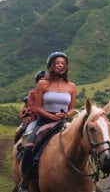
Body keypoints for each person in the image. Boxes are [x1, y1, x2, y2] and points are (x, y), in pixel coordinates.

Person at [20, 52, 77, 192]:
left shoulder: (71, 86)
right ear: (51, 65)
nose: (60, 65)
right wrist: (52, 117)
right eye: (57, 63)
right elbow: (38, 108)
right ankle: (25, 182)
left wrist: (65, 115)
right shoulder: (43, 84)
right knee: (28, 149)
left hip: (63, 122)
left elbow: (72, 109)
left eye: (63, 63)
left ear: (66, 67)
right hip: (44, 122)